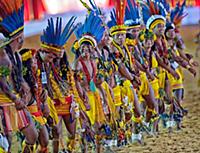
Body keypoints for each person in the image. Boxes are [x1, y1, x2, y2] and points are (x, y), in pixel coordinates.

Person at [0, 1, 38, 152]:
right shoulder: (3, 57)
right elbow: (2, 82)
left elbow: (19, 79)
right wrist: (14, 98)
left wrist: (25, 88)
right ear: (18, 38)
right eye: (23, 36)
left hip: (15, 100)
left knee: (32, 136)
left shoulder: (17, 57)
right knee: (7, 143)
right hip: (3, 102)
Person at [37, 16, 77, 153]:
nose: (58, 56)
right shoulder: (45, 66)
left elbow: (73, 85)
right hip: (54, 103)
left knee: (72, 132)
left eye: (60, 53)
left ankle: (70, 150)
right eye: (55, 54)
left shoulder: (66, 67)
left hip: (67, 101)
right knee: (56, 132)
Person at [74, 12, 107, 153]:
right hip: (84, 97)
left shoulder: (94, 62)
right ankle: (85, 151)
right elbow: (76, 83)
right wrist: (83, 97)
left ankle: (99, 150)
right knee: (85, 127)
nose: (85, 51)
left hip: (94, 95)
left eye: (88, 49)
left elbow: (97, 81)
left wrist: (104, 97)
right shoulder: (78, 64)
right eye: (83, 49)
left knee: (99, 125)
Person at [19, 48, 50, 152]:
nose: (36, 62)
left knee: (45, 141)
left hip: (37, 112)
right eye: (33, 61)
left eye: (35, 60)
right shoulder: (22, 82)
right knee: (31, 140)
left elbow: (41, 89)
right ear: (27, 65)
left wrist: (44, 101)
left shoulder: (36, 75)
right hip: (27, 114)